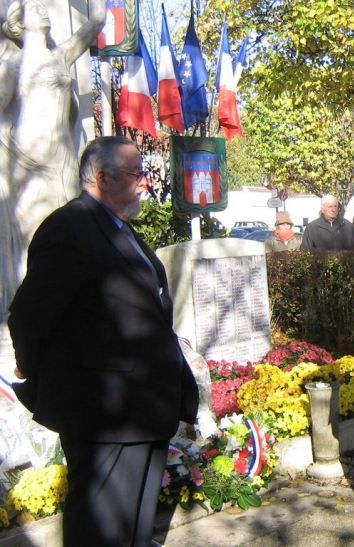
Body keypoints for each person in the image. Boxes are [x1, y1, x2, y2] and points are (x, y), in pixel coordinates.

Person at [7, 136, 199, 546]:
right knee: (99, 531)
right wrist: (31, 364)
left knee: (132, 529)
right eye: (135, 174)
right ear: (101, 177)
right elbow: (28, 313)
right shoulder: (69, 227)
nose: (144, 183)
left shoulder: (121, 228)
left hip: (144, 408)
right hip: (102, 413)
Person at [0, 0, 106, 321]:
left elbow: (96, 22)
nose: (43, 10)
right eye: (34, 9)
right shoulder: (13, 65)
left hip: (61, 157)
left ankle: (70, 308)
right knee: (34, 234)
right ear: (18, 23)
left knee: (65, 231)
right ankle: (28, 314)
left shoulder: (60, 55)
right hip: (27, 158)